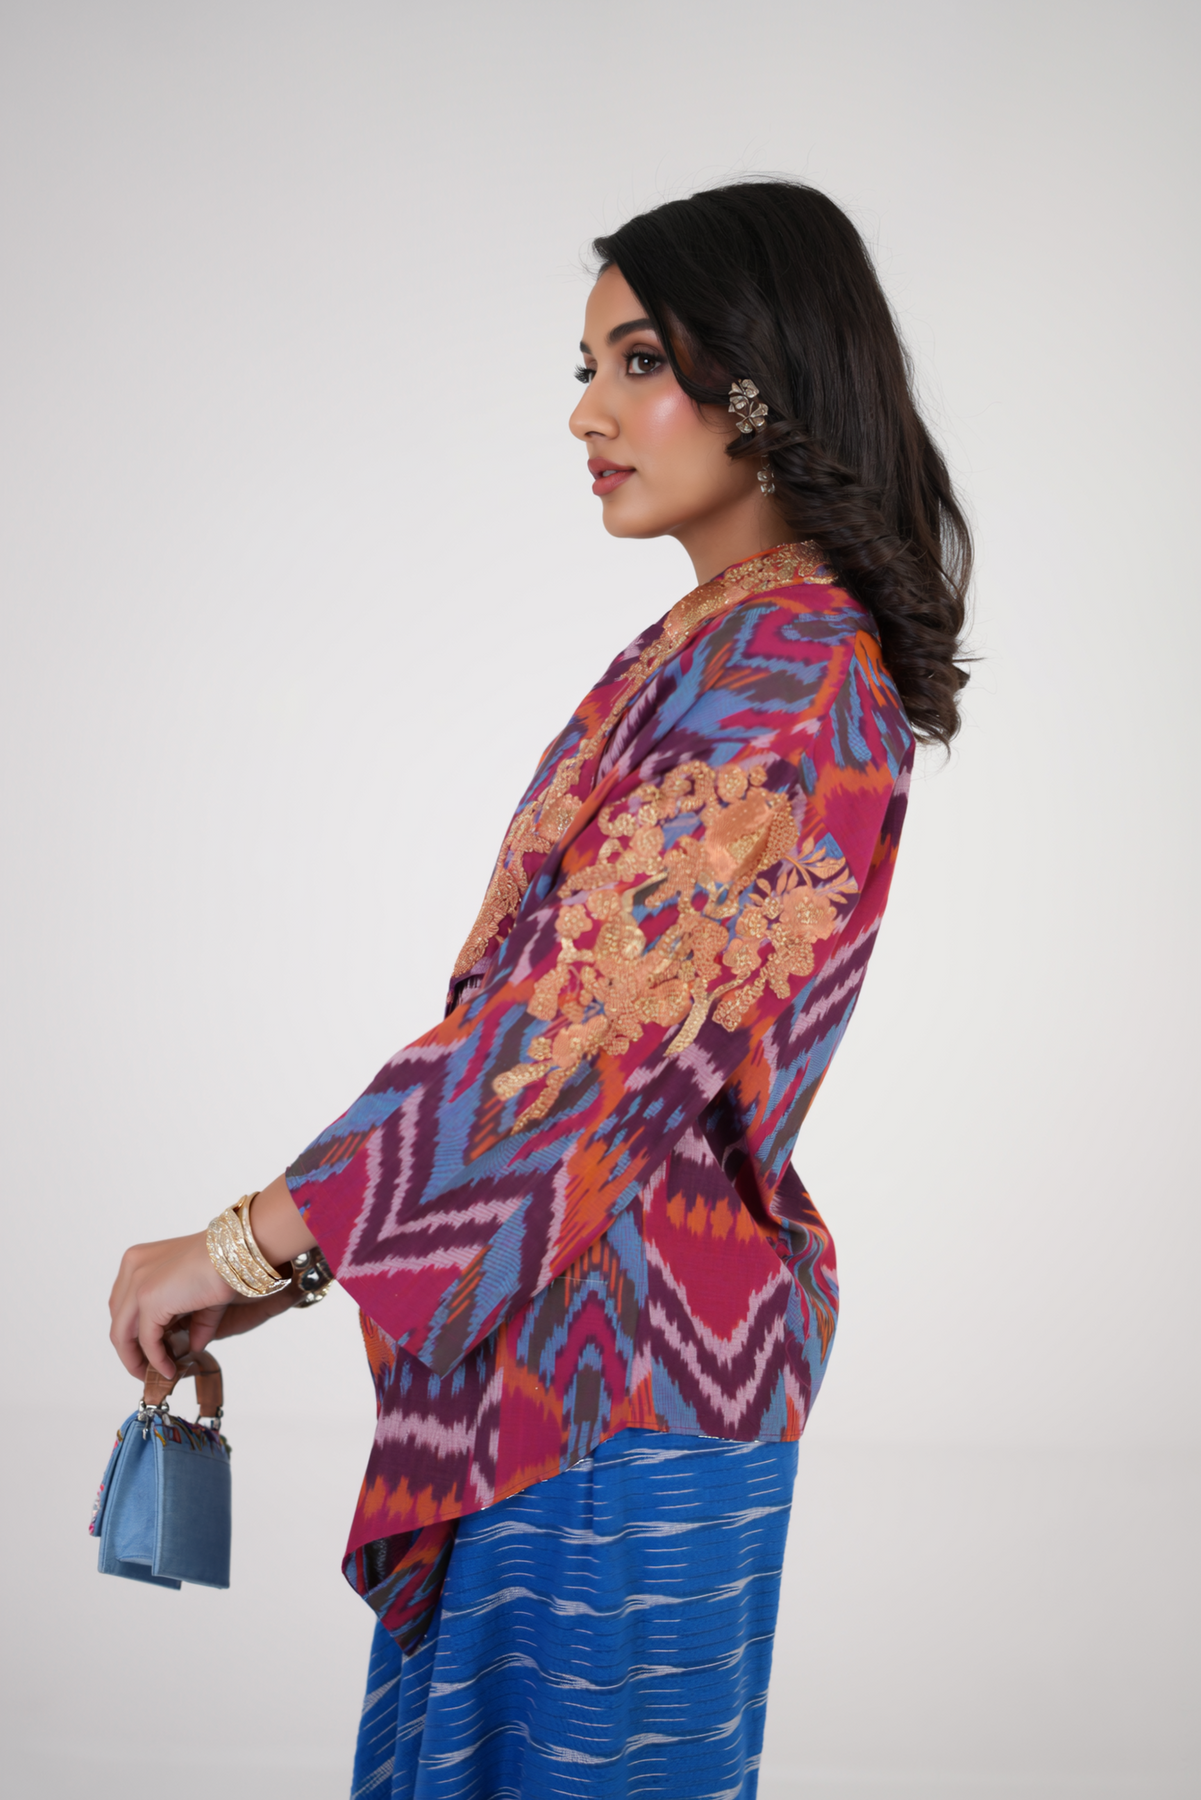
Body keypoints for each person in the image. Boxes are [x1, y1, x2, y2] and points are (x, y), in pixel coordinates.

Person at [108, 179, 970, 1800]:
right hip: (573, 1366)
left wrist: (246, 1243)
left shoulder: (786, 670)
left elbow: (573, 1039)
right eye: (587, 367)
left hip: (613, 1390)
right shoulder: (728, 645)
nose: (587, 413)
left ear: (762, 379)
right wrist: (296, 1261)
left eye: (638, 362)